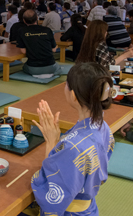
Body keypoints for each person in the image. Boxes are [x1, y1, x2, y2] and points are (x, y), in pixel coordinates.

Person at [31, 63, 115, 216]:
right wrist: (58, 141)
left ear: (74, 96)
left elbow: (52, 195)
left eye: (66, 85)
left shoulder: (73, 146)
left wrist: (51, 141)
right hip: (89, 208)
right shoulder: (103, 127)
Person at [16, 10, 61, 76]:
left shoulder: (21, 31)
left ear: (24, 20)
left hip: (33, 68)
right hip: (50, 66)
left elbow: (23, 51)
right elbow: (53, 50)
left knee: (23, 67)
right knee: (58, 67)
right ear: (37, 18)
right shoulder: (47, 30)